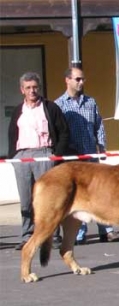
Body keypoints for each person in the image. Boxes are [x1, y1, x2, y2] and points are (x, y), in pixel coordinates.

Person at [55, 67, 119, 245]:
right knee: (80, 195)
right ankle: (79, 233)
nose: (81, 83)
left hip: (91, 154)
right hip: (73, 158)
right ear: (67, 80)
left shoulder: (90, 102)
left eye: (82, 79)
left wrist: (102, 146)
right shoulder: (59, 104)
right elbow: (58, 131)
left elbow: (99, 125)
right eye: (77, 79)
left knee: (101, 192)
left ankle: (107, 230)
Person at [8, 72, 70, 250]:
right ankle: (27, 235)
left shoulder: (50, 108)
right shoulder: (18, 110)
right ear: (22, 90)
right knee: (26, 199)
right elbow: (12, 133)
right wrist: (14, 156)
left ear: (39, 88)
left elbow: (63, 132)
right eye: (28, 88)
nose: (32, 91)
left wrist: (55, 155)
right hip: (23, 156)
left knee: (49, 198)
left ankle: (53, 235)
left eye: (35, 87)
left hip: (45, 154)